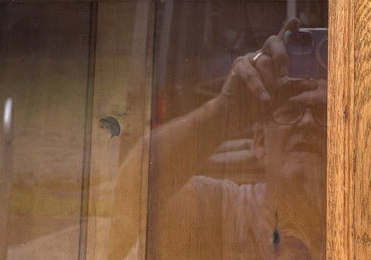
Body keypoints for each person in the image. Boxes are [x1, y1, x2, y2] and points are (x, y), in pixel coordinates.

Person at [109, 19, 327, 260]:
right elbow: (133, 187)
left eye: (322, 113)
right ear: (259, 143)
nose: (307, 122)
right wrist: (222, 113)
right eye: (291, 109)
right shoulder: (224, 209)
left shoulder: (363, 217)